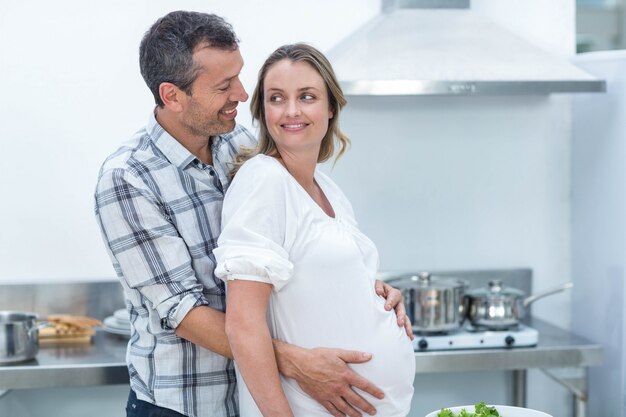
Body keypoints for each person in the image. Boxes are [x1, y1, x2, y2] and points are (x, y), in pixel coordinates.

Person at [94, 10, 413, 417]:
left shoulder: (238, 145)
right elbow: (183, 313)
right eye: (224, 86)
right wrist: (295, 361)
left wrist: (364, 290)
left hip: (257, 394)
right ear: (173, 95)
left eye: (240, 77)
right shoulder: (128, 179)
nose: (243, 95)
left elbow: (292, 248)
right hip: (187, 405)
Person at [214, 43, 416, 417]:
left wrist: (375, 294)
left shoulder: (329, 190)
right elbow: (242, 325)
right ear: (263, 111)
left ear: (330, 108)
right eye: (277, 98)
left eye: (306, 97)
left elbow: (321, 278)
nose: (291, 111)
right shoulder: (263, 179)